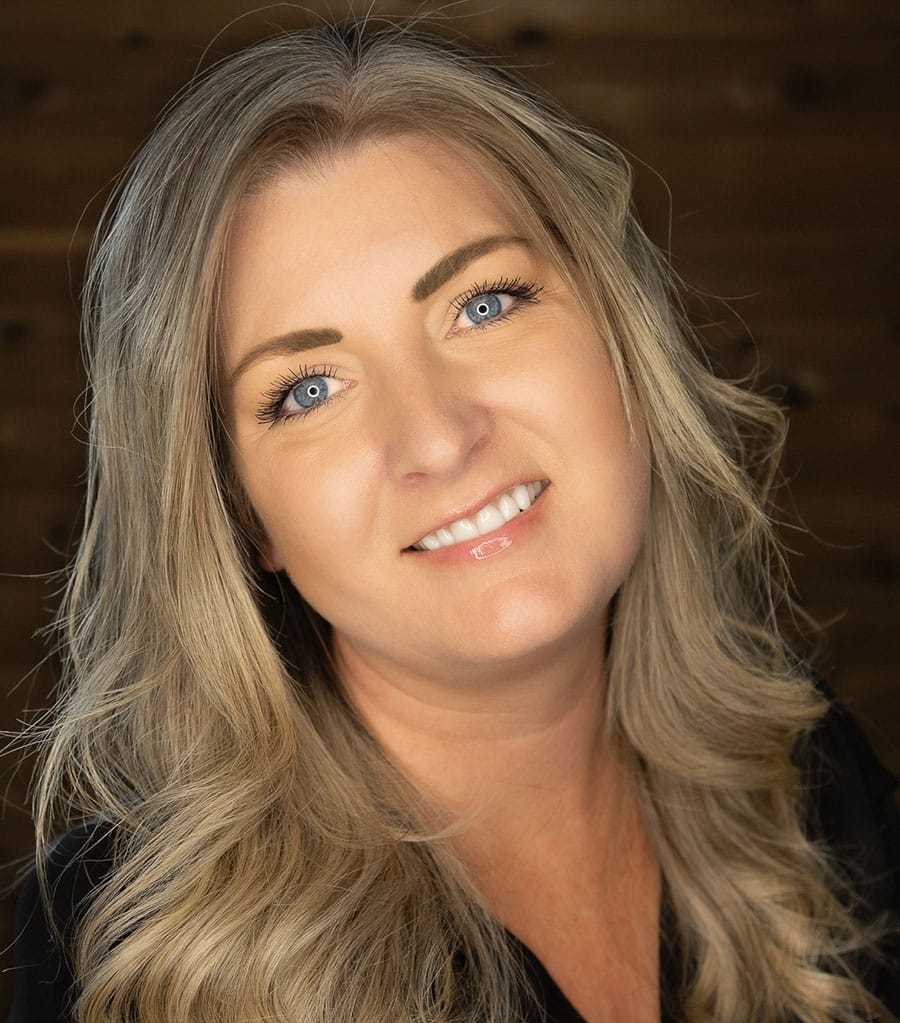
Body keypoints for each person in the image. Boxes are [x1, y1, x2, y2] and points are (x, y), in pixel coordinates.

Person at [8, 19, 899, 1023]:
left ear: (621, 341)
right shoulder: (113, 962)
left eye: (483, 305)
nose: (435, 437)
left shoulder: (809, 781)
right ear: (240, 516)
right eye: (307, 389)